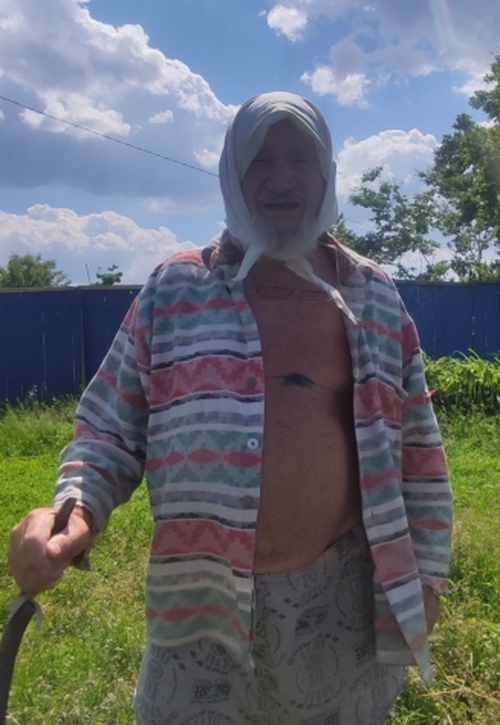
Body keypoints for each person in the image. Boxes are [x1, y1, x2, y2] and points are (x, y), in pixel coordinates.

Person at [8, 91, 453, 724]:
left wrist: (427, 574)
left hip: (340, 602)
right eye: (259, 160)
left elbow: (418, 451)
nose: (281, 179)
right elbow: (108, 431)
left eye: (299, 159)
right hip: (199, 600)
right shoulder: (174, 290)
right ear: (230, 173)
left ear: (326, 172)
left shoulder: (372, 295)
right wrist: (72, 508)